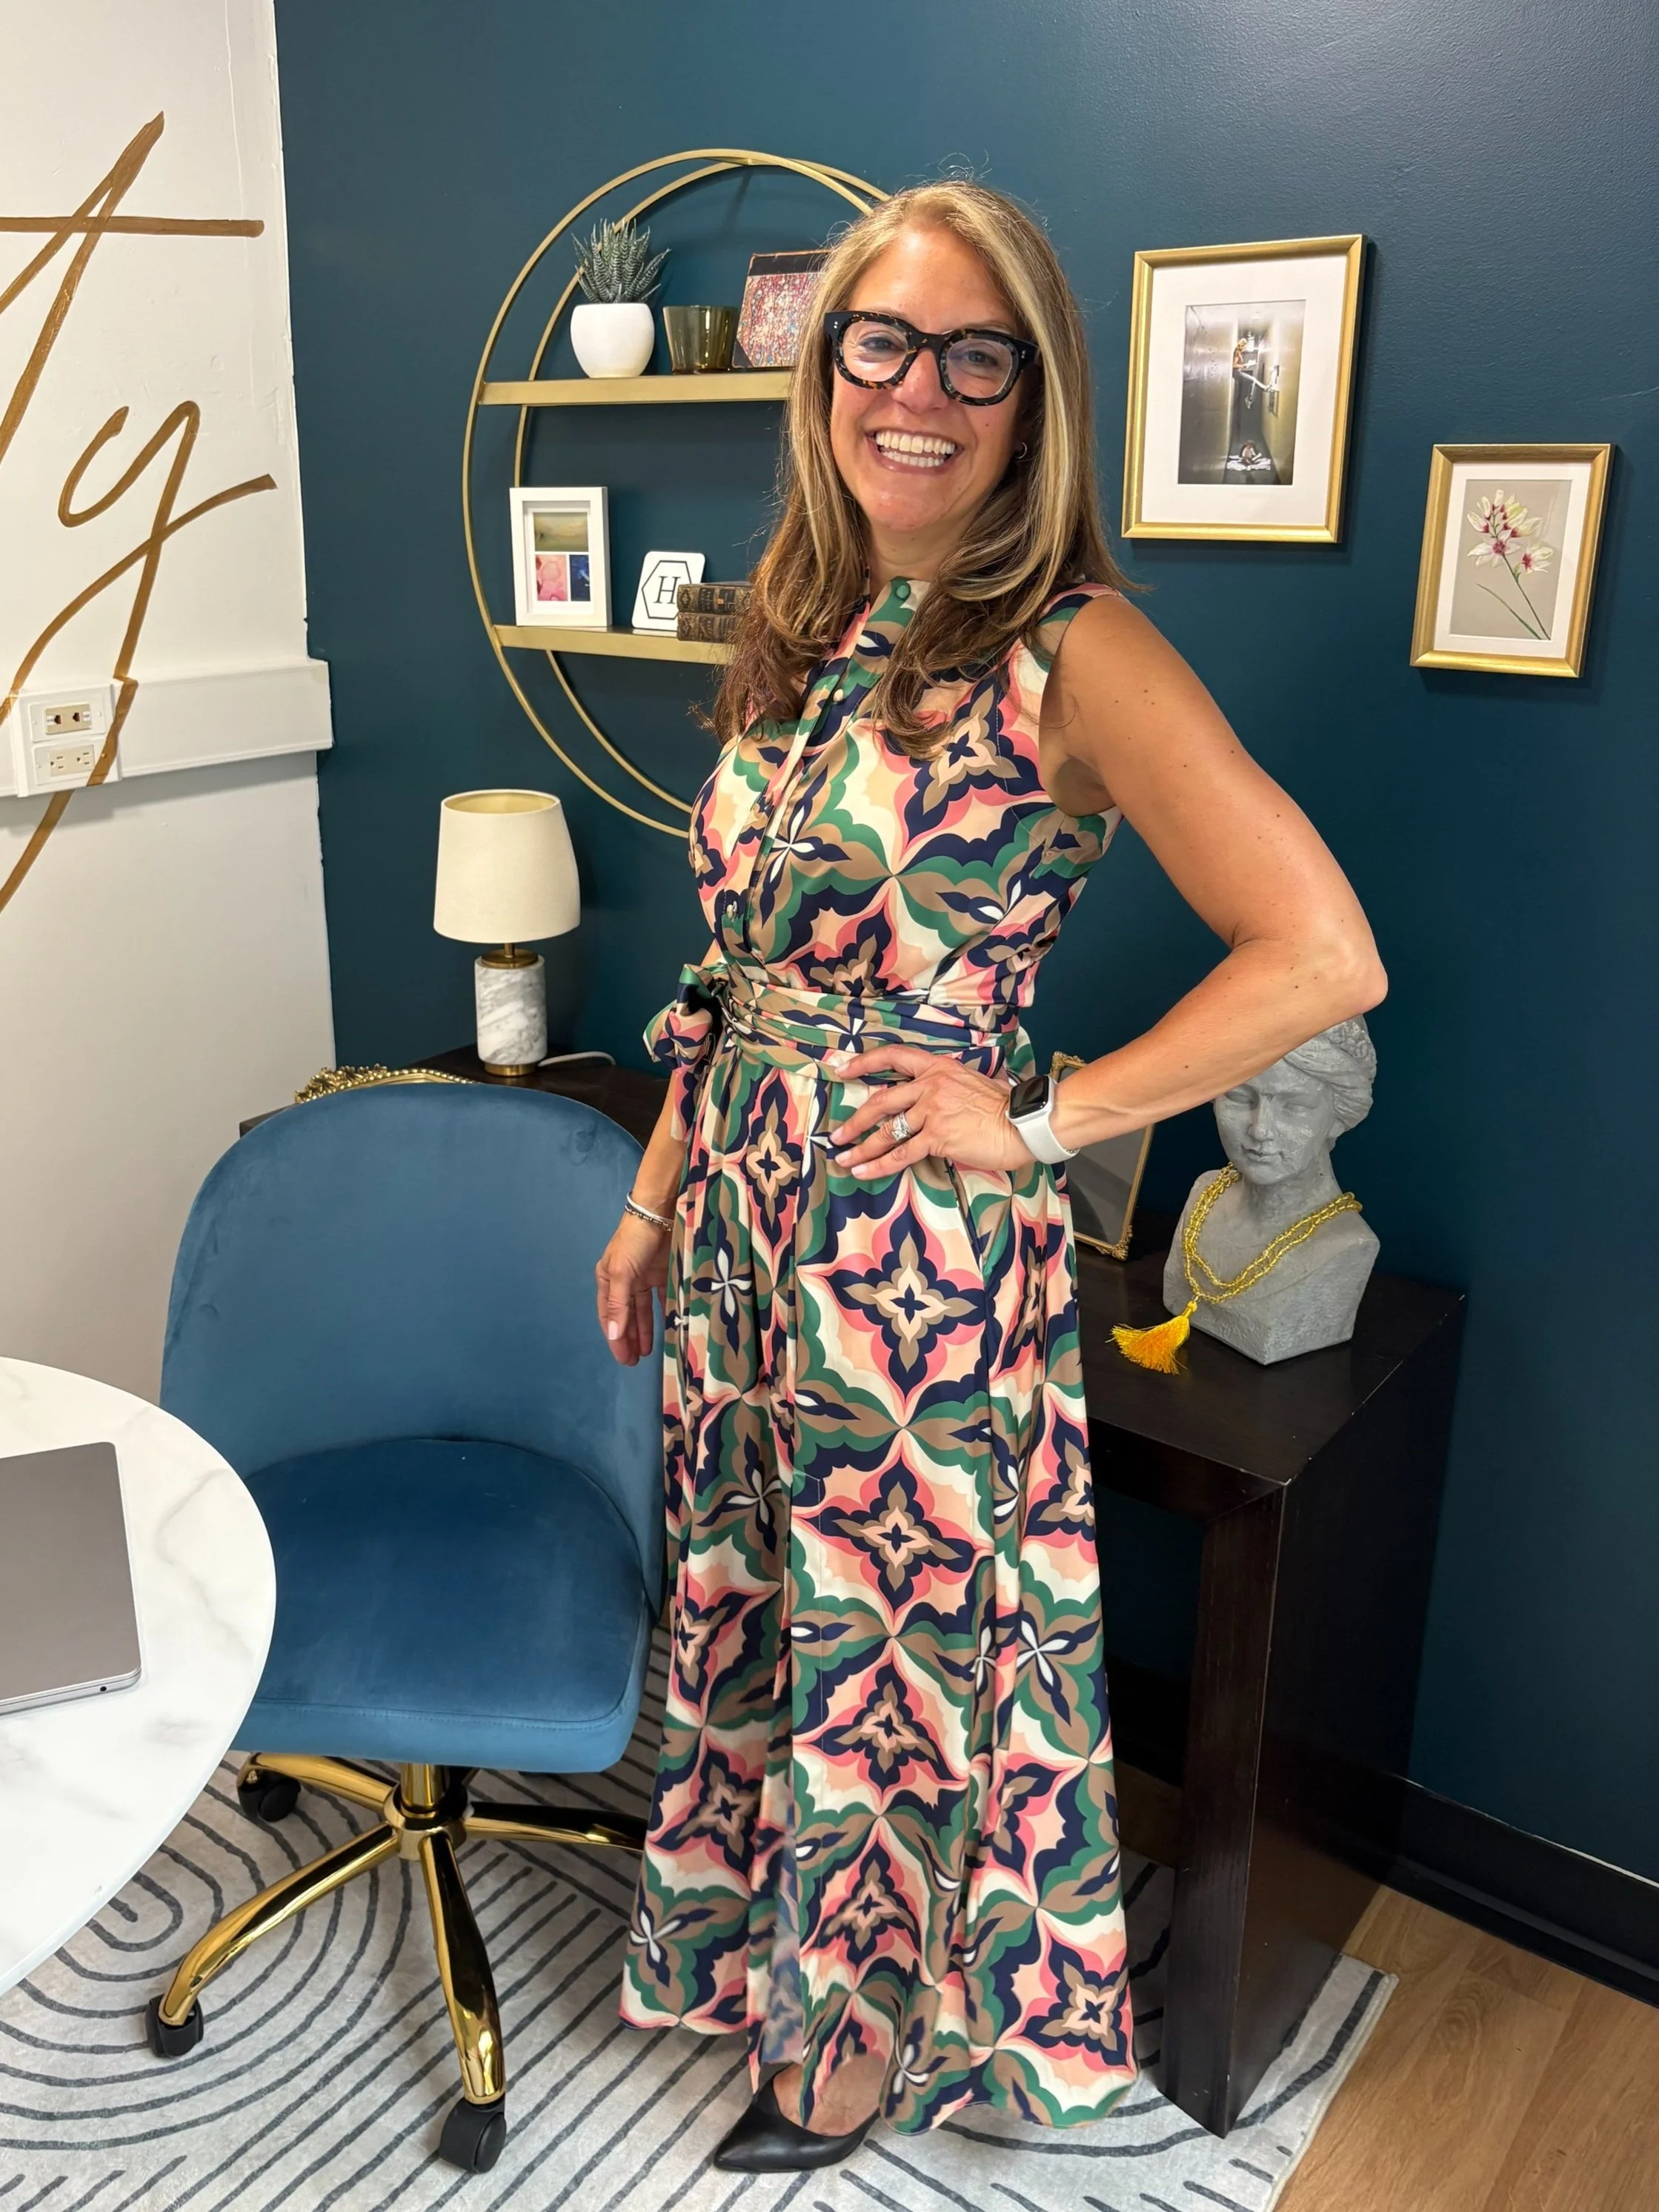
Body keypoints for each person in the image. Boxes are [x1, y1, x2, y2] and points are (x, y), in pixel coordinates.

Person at [595, 178, 1385, 2173]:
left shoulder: (1072, 649)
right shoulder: (803, 616)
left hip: (905, 1252)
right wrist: (652, 1193)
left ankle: (853, 2049)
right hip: (747, 1227)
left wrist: (1040, 1116)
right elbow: (736, 966)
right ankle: (774, 1968)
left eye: (976, 356)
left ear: (1031, 402)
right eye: (881, 343)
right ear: (823, 374)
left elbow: (1319, 951)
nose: (918, 391)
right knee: (771, 1604)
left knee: (889, 1641)